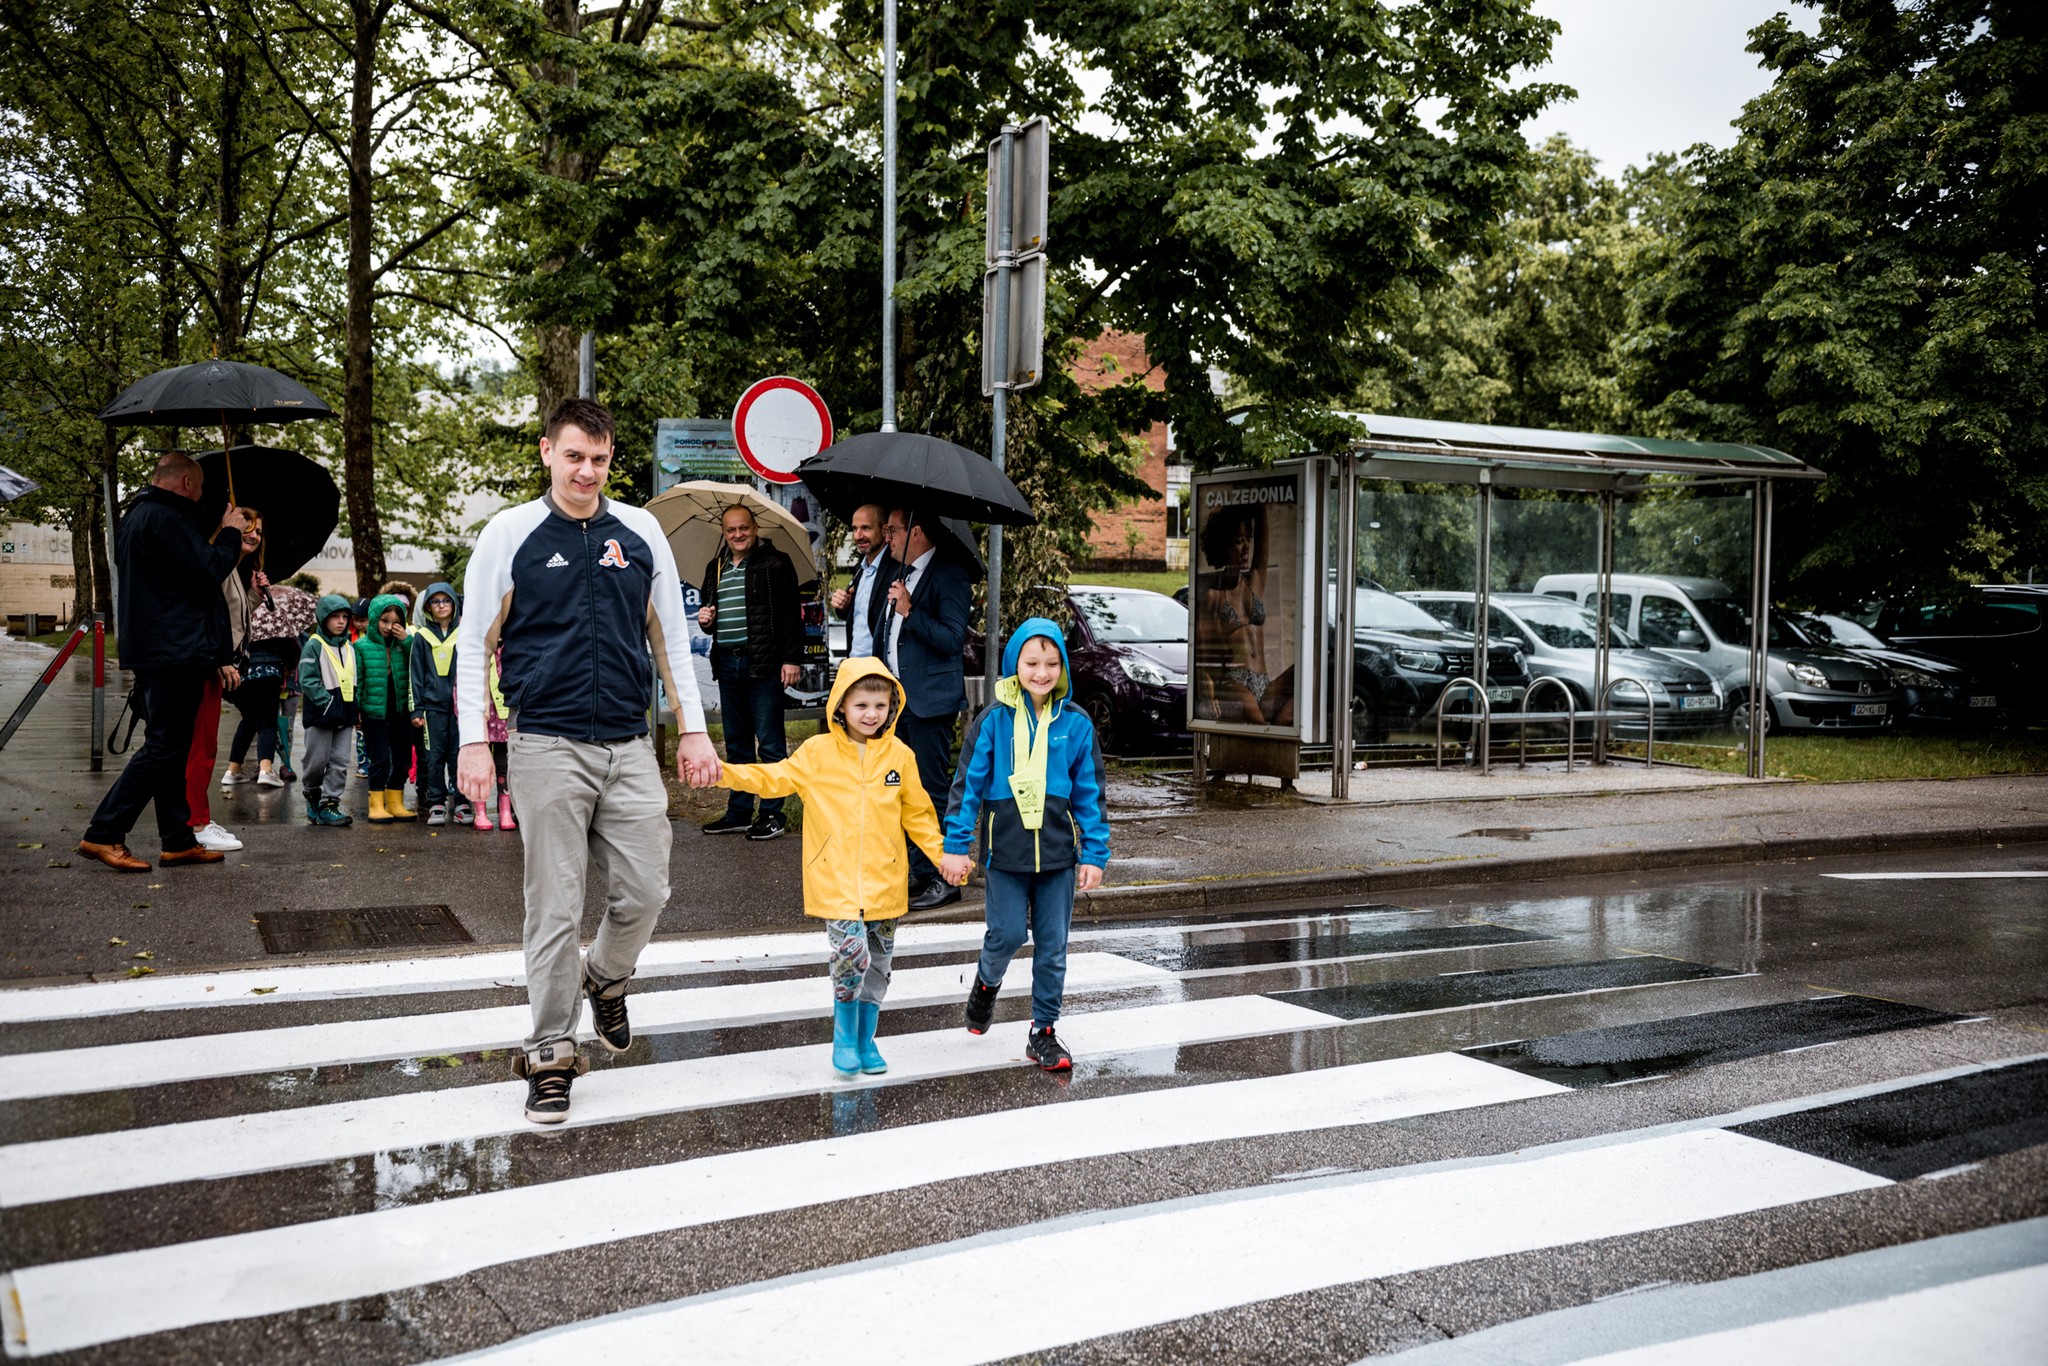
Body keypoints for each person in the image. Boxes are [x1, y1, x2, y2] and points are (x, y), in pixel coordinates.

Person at [457, 397, 717, 1124]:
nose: (587, 471)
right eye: (574, 456)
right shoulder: (511, 534)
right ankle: (550, 1052)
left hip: (629, 745)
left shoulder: (638, 533)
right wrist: (472, 740)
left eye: (599, 460)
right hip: (545, 744)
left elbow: (668, 636)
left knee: (649, 890)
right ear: (547, 452)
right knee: (555, 907)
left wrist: (693, 730)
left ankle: (604, 977)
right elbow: (475, 642)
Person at [715, 657, 945, 1078]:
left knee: (878, 964)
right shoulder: (817, 753)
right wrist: (722, 774)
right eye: (861, 705)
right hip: (836, 881)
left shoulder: (900, 756)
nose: (871, 714)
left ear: (892, 706)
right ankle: (843, 1036)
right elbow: (773, 779)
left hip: (885, 884)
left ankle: (865, 1039)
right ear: (840, 706)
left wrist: (943, 857)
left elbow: (919, 815)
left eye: (880, 705)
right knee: (851, 954)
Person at [940, 618, 1111, 1072]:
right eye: (1032, 662)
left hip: (1058, 857)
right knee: (1009, 933)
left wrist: (1094, 853)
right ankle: (986, 982)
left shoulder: (1075, 724)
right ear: (1014, 663)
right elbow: (966, 788)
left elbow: (1090, 794)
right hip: (1006, 855)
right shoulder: (992, 721)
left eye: (1052, 662)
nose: (1042, 671)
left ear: (1063, 666)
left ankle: (1044, 1032)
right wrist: (956, 847)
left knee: (1053, 946)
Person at [78, 452, 249, 872]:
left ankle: (177, 840)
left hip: (161, 646)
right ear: (188, 482)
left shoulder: (138, 515)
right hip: (176, 649)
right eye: (202, 487)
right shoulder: (168, 519)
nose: (203, 494)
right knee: (163, 747)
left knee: (171, 749)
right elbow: (208, 568)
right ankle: (103, 832)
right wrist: (229, 533)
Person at [696, 504, 805, 841]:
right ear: (724, 534)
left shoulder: (776, 563)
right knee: (738, 744)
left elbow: (791, 615)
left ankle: (773, 814)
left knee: (770, 744)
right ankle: (739, 813)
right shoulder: (715, 567)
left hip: (765, 663)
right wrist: (706, 619)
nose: (738, 534)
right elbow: (708, 610)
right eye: (731, 530)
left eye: (744, 528)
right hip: (727, 663)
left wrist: (792, 659)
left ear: (755, 528)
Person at [881, 506, 972, 909]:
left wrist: (910, 611)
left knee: (932, 791)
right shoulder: (900, 573)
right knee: (904, 790)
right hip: (899, 703)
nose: (888, 537)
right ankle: (919, 870)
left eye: (892, 530)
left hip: (930, 704)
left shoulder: (949, 573)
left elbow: (953, 639)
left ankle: (944, 876)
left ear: (915, 532)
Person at [182, 506, 264, 852]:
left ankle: (197, 818)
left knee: (205, 745)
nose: (254, 535)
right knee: (198, 747)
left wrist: (256, 593)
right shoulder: (217, 562)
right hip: (208, 664)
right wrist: (220, 660)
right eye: (247, 526)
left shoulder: (231, 568)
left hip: (218, 663)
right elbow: (205, 616)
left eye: (259, 531)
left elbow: (234, 613)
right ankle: (195, 823)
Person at [1193, 503, 1295, 727]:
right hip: (1234, 683)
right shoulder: (1212, 597)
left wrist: (1256, 500)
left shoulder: (1254, 582)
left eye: (1247, 538)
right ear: (1223, 545)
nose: (1246, 547)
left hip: (1263, 682)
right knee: (1262, 728)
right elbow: (1201, 654)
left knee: (1306, 671)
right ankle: (1273, 730)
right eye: (1239, 541)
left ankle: (1281, 724)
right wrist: (1208, 691)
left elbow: (1262, 533)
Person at [221, 568, 313, 791]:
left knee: (250, 719)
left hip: (239, 675)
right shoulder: (273, 612)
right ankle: (266, 769)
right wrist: (290, 665)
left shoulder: (235, 609)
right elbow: (289, 647)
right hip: (267, 674)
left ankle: (233, 770)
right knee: (267, 722)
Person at [296, 593, 359, 827]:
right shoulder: (314, 645)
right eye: (335, 617)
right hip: (321, 715)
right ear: (324, 619)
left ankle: (329, 804)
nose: (341, 621)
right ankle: (311, 793)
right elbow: (308, 680)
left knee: (341, 761)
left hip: (345, 714)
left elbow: (355, 678)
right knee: (317, 760)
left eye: (345, 617)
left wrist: (356, 707)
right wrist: (327, 702)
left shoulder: (349, 647)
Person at [356, 593, 417, 823]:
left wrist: (406, 640)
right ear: (374, 619)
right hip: (374, 711)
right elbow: (358, 680)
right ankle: (376, 804)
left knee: (402, 757)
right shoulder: (361, 646)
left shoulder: (404, 644)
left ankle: (395, 801)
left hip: (400, 708)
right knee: (380, 758)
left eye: (395, 621)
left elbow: (418, 660)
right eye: (384, 620)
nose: (390, 626)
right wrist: (358, 711)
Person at [409, 582, 460, 824]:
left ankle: (462, 802)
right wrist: (417, 708)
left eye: (446, 600)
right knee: (434, 756)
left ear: (454, 603)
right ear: (428, 607)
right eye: (436, 601)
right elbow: (415, 675)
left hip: (460, 709)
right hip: (432, 708)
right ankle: (437, 802)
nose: (441, 605)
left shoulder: (465, 632)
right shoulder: (422, 637)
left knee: (458, 755)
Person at [829, 503, 895, 660]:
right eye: (854, 528)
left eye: (865, 528)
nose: (858, 536)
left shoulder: (896, 568)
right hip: (855, 664)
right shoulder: (860, 567)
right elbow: (861, 616)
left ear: (885, 530)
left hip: (879, 668)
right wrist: (844, 607)